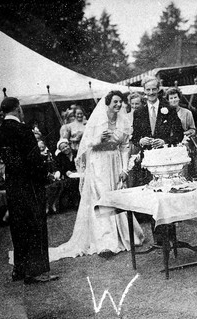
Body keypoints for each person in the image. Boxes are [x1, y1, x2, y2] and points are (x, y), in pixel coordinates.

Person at [49, 90, 144, 261]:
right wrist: (99, 139)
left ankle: (122, 235)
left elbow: (124, 147)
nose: (118, 105)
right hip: (99, 163)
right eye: (114, 102)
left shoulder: (123, 121)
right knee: (103, 197)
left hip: (115, 162)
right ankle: (106, 240)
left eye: (120, 102)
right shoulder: (96, 121)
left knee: (116, 195)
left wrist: (124, 169)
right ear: (107, 103)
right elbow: (86, 147)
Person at [0, 97, 58, 284]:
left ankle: (20, 269)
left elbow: (10, 160)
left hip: (14, 185)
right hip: (30, 184)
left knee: (19, 227)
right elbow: (33, 160)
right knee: (36, 226)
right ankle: (37, 271)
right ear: (18, 109)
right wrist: (45, 175)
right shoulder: (23, 129)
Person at [131, 76, 184, 244]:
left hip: (165, 159)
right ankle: (159, 241)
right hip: (148, 161)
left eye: (154, 89)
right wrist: (141, 141)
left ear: (159, 89)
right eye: (148, 90)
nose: (151, 93)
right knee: (153, 198)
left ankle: (172, 238)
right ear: (144, 92)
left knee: (167, 197)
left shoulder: (168, 108)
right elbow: (134, 137)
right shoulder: (139, 112)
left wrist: (165, 141)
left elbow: (179, 134)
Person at [165, 87, 197, 179]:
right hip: (169, 145)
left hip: (183, 143)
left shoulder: (187, 113)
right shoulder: (164, 113)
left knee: (185, 172)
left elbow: (193, 130)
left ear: (179, 98)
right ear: (168, 100)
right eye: (171, 98)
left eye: (175, 97)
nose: (173, 100)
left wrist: (183, 135)